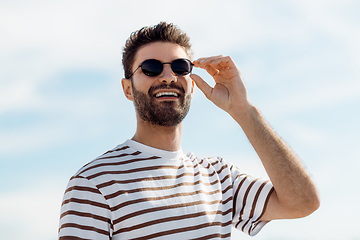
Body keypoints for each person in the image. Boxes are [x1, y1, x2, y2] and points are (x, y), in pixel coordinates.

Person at [58, 22, 320, 240]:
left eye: (180, 67)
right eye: (151, 67)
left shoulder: (219, 177)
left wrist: (244, 111)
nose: (169, 76)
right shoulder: (94, 183)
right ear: (128, 88)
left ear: (192, 84)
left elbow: (303, 202)